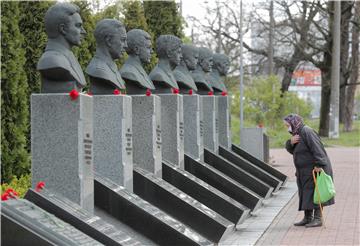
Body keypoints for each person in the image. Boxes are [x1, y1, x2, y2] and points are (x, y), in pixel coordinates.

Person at [284, 114, 335, 228]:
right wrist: (290, 143)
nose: (287, 128)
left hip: (316, 168)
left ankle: (318, 219)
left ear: (294, 123)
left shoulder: (307, 131)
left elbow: (317, 148)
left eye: (288, 125)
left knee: (317, 192)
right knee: (305, 192)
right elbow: (293, 151)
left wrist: (319, 164)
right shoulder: (297, 134)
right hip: (304, 171)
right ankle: (308, 218)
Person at [37, 3, 87, 93]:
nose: (84, 31)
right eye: (78, 26)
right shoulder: (51, 60)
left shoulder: (68, 57)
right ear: (63, 29)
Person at [86, 19, 127, 94]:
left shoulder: (112, 67)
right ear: (109, 41)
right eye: (122, 40)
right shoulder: (98, 69)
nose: (126, 46)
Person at [119, 29, 155, 95]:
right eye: (148, 47)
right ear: (137, 49)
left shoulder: (140, 70)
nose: (152, 51)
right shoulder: (127, 72)